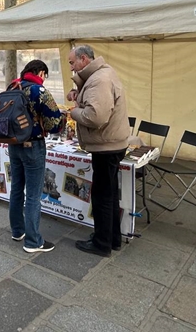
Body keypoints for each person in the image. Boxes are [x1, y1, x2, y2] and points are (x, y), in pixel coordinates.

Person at [66, 45, 129, 257]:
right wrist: (79, 94)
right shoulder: (100, 75)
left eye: (72, 63)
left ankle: (102, 243)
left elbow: (95, 117)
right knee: (109, 194)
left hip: (105, 146)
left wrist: (74, 111)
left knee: (102, 196)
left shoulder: (99, 79)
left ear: (84, 59)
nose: (71, 67)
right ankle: (112, 239)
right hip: (110, 144)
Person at [8, 60, 65, 254]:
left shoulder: (13, 85)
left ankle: (18, 231)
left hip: (13, 145)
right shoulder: (38, 91)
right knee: (33, 195)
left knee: (16, 188)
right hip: (33, 146)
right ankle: (33, 241)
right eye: (45, 75)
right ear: (41, 72)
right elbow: (54, 124)